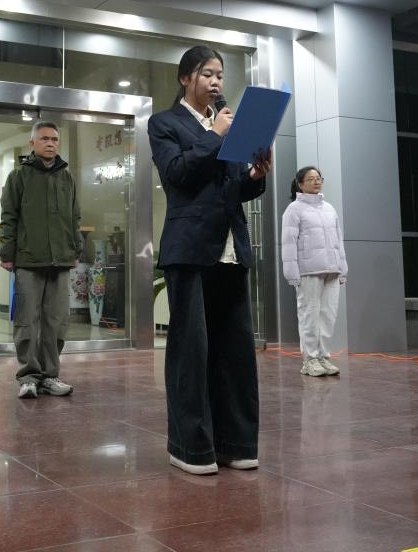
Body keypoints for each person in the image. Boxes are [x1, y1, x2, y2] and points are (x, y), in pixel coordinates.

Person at [148, 45, 271, 476]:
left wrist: (255, 175)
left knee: (235, 352)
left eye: (219, 74)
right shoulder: (164, 123)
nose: (216, 82)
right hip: (189, 249)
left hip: (230, 250)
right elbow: (177, 174)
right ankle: (191, 447)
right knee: (191, 351)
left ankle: (235, 443)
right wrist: (215, 135)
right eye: (206, 74)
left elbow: (234, 187)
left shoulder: (229, 123)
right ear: (185, 78)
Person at [0, 121, 81, 399]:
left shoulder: (67, 178)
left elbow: (74, 217)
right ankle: (28, 377)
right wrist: (7, 254)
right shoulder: (18, 176)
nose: (50, 143)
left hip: (61, 260)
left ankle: (50, 376)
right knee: (27, 321)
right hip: (28, 260)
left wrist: (75, 250)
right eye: (44, 138)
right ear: (32, 143)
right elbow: (9, 217)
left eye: (55, 139)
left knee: (56, 322)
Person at [280, 166, 348, 377]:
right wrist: (291, 273)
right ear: (300, 184)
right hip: (308, 270)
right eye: (311, 179)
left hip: (332, 269)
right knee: (309, 315)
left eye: (319, 178)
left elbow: (338, 240)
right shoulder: (294, 209)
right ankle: (309, 360)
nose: (316, 182)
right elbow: (288, 243)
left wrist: (343, 268)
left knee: (328, 315)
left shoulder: (329, 208)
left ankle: (323, 357)